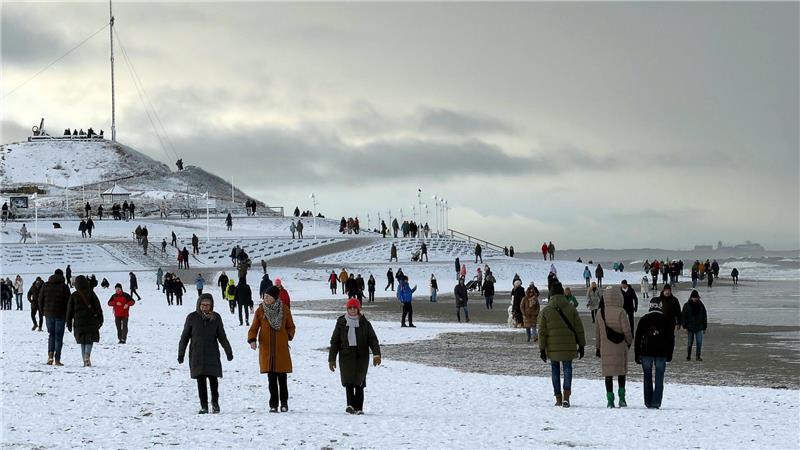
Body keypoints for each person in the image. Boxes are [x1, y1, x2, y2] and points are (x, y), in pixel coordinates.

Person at [178, 294, 234, 414]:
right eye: (203, 304)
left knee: (213, 381)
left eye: (208, 305)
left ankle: (215, 403)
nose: (205, 307)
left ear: (211, 305)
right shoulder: (192, 317)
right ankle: (204, 406)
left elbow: (222, 336)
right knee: (201, 381)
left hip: (212, 353)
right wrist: (181, 353)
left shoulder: (216, 318)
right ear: (199, 304)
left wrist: (228, 351)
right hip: (197, 354)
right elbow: (184, 337)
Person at [329, 298, 381, 415]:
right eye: (350, 308)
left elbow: (372, 340)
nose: (352, 310)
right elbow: (335, 342)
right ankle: (350, 405)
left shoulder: (365, 323)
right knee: (348, 382)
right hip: (346, 357)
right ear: (347, 309)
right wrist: (331, 359)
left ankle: (359, 407)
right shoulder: (341, 322)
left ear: (358, 309)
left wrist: (376, 354)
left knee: (359, 382)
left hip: (361, 357)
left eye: (354, 308)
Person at [247, 286, 295, 413]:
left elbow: (291, 326)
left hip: (281, 350)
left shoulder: (284, 309)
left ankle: (284, 403)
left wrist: (287, 337)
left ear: (275, 297)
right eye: (264, 296)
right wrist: (252, 339)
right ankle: (273, 404)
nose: (265, 298)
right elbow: (254, 327)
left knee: (282, 378)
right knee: (271, 379)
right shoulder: (261, 310)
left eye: (268, 296)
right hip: (267, 350)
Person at [539, 283, 585, 408]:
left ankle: (558, 398)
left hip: (552, 346)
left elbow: (542, 331)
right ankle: (567, 397)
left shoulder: (546, 310)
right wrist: (581, 345)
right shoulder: (571, 308)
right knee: (568, 368)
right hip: (569, 345)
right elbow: (579, 328)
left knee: (555, 370)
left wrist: (542, 349)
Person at [596, 287, 633, 408]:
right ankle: (622, 399)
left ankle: (610, 400)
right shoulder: (621, 312)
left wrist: (598, 347)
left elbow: (598, 333)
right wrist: (629, 342)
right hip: (620, 347)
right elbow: (627, 330)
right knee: (621, 373)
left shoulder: (600, 312)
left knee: (608, 375)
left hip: (605, 347)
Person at [635, 298, 675, 409]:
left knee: (647, 377)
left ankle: (648, 401)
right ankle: (656, 402)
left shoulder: (644, 319)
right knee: (659, 377)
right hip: (661, 353)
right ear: (660, 306)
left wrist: (637, 354)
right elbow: (671, 339)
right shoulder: (666, 320)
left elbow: (638, 338)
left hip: (646, 352)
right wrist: (670, 353)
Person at [66, 275, 104, 367]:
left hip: (79, 322)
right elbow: (98, 307)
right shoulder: (91, 293)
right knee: (89, 340)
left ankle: (84, 360)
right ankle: (87, 356)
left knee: (82, 341)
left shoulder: (74, 295)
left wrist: (69, 323)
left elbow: (69, 310)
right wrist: (100, 319)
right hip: (91, 321)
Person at [38, 269, 71, 365]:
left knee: (51, 335)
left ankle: (50, 357)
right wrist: (68, 315)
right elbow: (69, 302)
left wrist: (43, 312)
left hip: (48, 314)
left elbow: (40, 299)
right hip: (61, 315)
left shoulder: (46, 285)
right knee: (59, 337)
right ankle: (57, 359)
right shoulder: (64, 287)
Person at [682, 290, 708, 361]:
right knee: (690, 342)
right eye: (693, 297)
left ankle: (698, 356)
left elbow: (704, 316)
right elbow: (684, 316)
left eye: (696, 297)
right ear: (691, 297)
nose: (695, 299)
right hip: (690, 327)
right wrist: (684, 326)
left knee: (699, 342)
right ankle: (688, 355)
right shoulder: (686, 305)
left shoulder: (701, 305)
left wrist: (705, 327)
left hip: (699, 327)